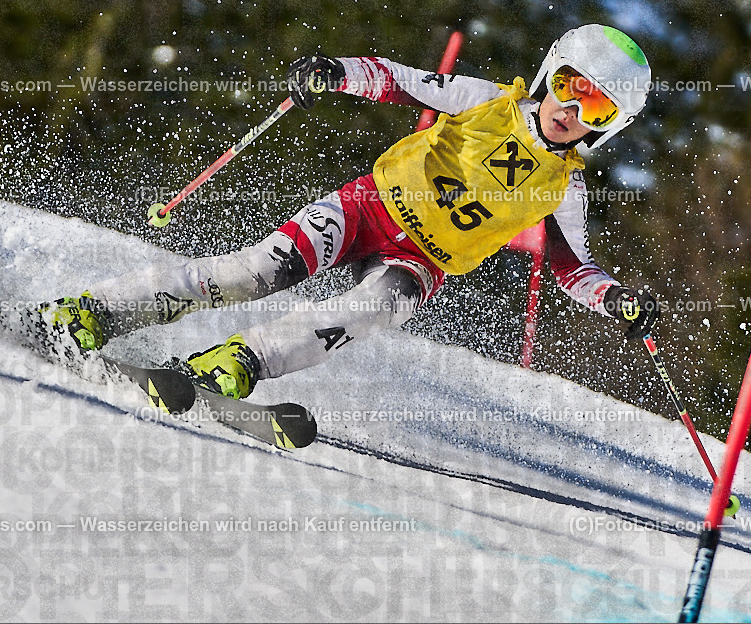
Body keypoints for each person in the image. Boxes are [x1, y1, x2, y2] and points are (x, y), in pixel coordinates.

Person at [40, 23, 659, 408]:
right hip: (370, 208)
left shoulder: (564, 190)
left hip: (419, 262)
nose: (574, 111)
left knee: (360, 314)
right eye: (573, 87)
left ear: (609, 129)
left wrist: (617, 301)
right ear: (551, 74)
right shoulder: (486, 103)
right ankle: (98, 310)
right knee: (257, 271)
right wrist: (337, 72)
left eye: (597, 109)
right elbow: (399, 81)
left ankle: (237, 363)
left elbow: (573, 268)